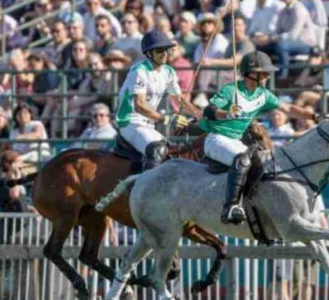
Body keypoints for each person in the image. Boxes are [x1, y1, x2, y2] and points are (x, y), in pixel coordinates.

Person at [199, 51, 317, 224]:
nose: (268, 76)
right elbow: (208, 111)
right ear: (251, 74)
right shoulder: (231, 90)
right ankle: (230, 207)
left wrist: (314, 117)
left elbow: (289, 109)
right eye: (264, 73)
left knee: (264, 164)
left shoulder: (264, 94)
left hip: (235, 141)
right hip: (217, 139)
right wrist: (227, 113)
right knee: (243, 160)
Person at [116, 31, 201, 171]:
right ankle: (145, 191)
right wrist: (167, 119)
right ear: (149, 53)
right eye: (159, 50)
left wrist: (199, 114)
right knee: (157, 149)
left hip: (149, 124)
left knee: (170, 152)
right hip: (129, 122)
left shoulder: (169, 71)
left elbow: (180, 99)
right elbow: (140, 106)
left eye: (167, 49)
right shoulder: (139, 71)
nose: (165, 53)